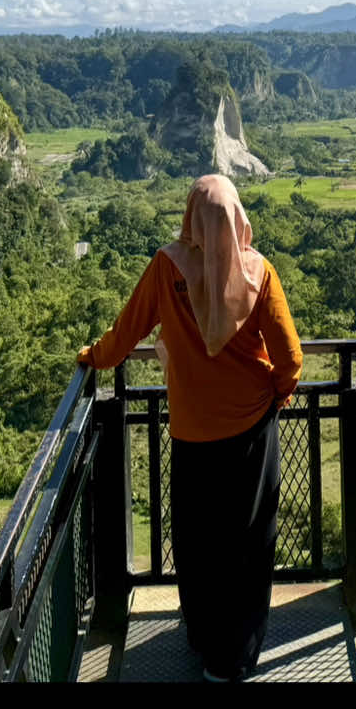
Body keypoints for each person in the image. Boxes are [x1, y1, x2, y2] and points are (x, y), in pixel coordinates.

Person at [77, 172, 303, 682]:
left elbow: (125, 333)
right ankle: (236, 658)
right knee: (249, 542)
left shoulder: (166, 267)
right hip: (251, 432)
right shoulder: (260, 273)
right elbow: (290, 356)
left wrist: (92, 356)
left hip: (192, 432)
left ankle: (203, 638)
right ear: (239, 215)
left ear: (190, 218)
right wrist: (280, 391)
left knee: (199, 542)